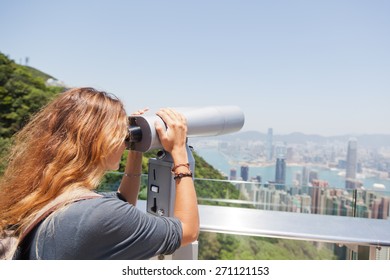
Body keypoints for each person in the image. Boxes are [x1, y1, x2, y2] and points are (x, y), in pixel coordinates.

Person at [0, 87, 199, 259]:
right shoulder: (100, 214)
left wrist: (135, 150)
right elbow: (187, 231)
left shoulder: (47, 192)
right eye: (120, 134)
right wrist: (179, 154)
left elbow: (124, 201)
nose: (125, 140)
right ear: (101, 142)